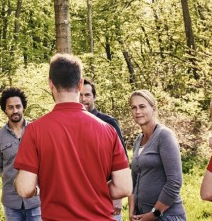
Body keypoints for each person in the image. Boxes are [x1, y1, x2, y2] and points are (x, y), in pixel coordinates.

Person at [14, 53, 132, 221]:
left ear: (50, 84)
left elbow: (25, 189)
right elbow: (124, 187)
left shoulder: (34, 130)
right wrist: (93, 191)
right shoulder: (107, 130)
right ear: (80, 84)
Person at [128, 90, 186, 221]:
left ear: (153, 109)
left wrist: (154, 214)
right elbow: (133, 181)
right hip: (141, 215)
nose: (137, 111)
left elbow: (175, 182)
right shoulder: (138, 140)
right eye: (134, 107)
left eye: (142, 106)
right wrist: (131, 213)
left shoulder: (164, 136)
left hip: (166, 216)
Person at [80, 78, 129, 220]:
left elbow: (122, 162)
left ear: (94, 97)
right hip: (80, 199)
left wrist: (118, 197)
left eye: (87, 95)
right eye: (80, 95)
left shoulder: (109, 123)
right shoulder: (71, 125)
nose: (83, 99)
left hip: (107, 198)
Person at [0, 88, 41, 221]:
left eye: (18, 106)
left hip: (36, 201)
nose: (15, 111)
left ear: (23, 107)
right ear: (5, 110)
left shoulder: (36, 132)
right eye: (10, 107)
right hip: (11, 202)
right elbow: (0, 167)